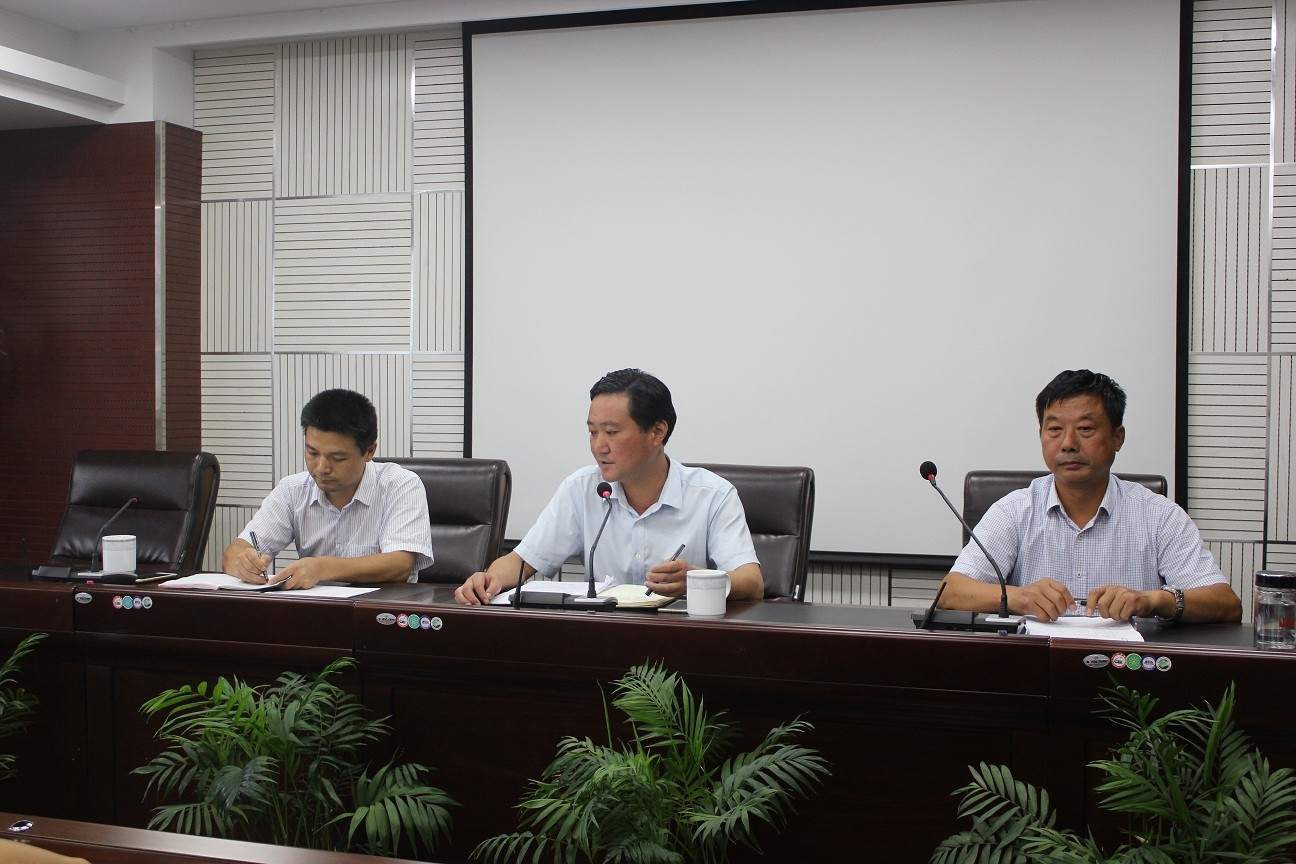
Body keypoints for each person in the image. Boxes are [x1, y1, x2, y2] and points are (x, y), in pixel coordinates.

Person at [938, 369, 1242, 624]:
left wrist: (1153, 600)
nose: (1068, 443)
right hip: (1036, 664)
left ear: (1117, 437)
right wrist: (1019, 597)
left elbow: (1226, 605)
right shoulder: (1014, 511)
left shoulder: (1159, 515)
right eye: (1054, 429)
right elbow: (950, 593)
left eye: (1085, 428)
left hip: (1125, 670)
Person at [455, 368, 763, 605]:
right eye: (593, 432)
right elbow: (522, 561)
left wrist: (698, 580)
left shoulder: (712, 495)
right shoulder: (582, 489)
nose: (599, 447)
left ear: (657, 432)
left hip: (681, 640)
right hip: (603, 637)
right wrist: (488, 580)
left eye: (612, 433)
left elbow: (752, 582)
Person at [222, 388, 434, 590]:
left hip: (380, 610)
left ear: (369, 451)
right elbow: (235, 552)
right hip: (317, 610)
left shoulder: (400, 485)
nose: (322, 468)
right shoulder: (292, 490)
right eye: (312, 453)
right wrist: (245, 564)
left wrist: (322, 568)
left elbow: (400, 565)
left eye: (337, 457)